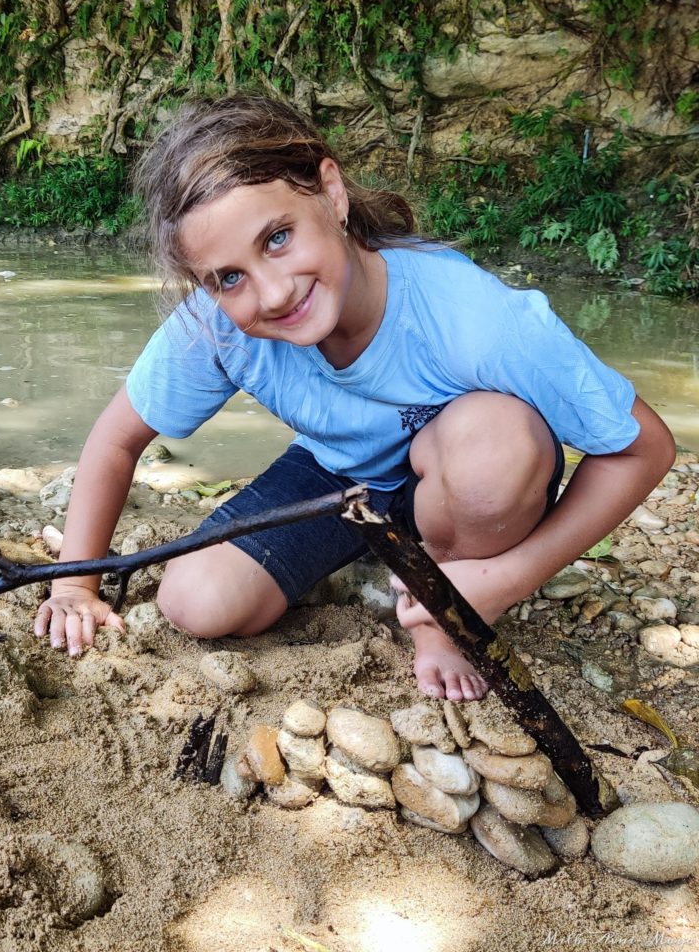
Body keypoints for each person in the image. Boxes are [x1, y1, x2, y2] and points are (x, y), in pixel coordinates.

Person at [34, 93, 675, 701]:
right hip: (341, 475)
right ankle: (387, 552)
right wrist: (74, 584)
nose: (275, 293)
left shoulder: (477, 320)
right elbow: (117, 440)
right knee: (195, 603)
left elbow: (644, 449)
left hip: (470, 461)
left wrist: (509, 577)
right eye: (230, 277)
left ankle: (442, 616)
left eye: (277, 238)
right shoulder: (218, 327)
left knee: (492, 446)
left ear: (332, 192)